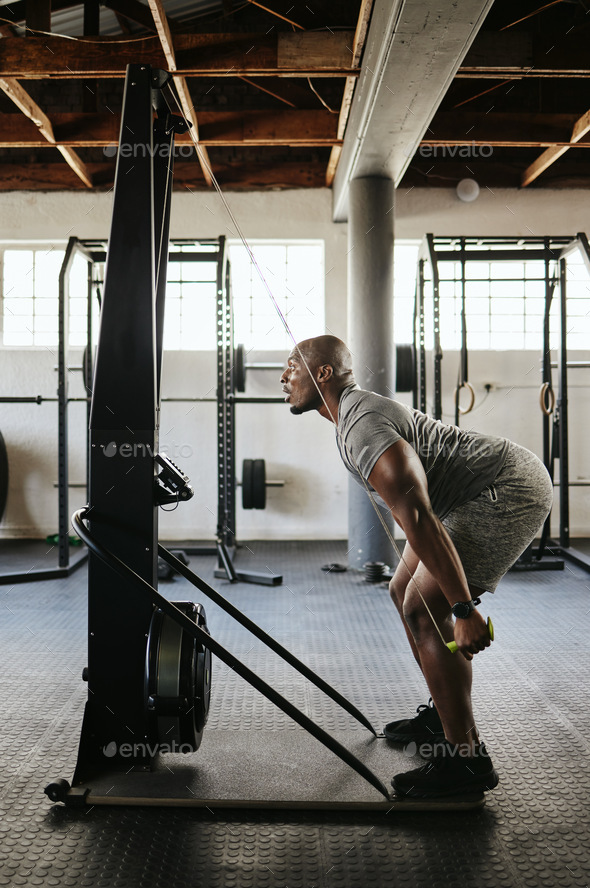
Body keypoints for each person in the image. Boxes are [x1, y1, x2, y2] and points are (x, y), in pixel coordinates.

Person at [280, 335, 553, 799]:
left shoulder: (363, 425)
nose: (283, 378)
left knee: (427, 609)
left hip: (505, 489)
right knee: (402, 594)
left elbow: (421, 517)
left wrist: (464, 610)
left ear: (322, 373)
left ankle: (465, 760)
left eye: (291, 367)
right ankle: (443, 715)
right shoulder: (350, 416)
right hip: (464, 498)